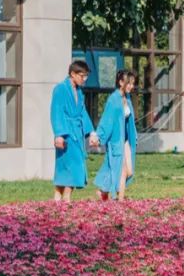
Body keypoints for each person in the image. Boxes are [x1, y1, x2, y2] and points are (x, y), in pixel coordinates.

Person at [50, 60, 99, 202]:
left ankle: (58, 198)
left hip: (77, 133)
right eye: (82, 76)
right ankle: (66, 198)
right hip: (66, 133)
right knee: (70, 165)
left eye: (86, 76)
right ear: (73, 74)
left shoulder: (79, 92)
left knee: (69, 165)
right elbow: (56, 112)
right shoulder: (60, 89)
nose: (84, 79)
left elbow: (82, 112)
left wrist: (91, 132)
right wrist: (59, 134)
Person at [94, 69, 138, 201]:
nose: (131, 86)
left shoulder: (127, 98)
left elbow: (129, 121)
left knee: (129, 171)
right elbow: (106, 120)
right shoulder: (113, 99)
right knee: (122, 169)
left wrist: (134, 135)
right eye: (128, 83)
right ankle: (120, 200)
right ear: (120, 82)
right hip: (115, 140)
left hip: (125, 140)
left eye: (132, 83)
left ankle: (103, 191)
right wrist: (99, 137)